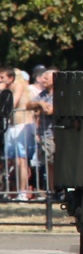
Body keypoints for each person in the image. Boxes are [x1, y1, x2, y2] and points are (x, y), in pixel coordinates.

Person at [0, 67, 36, 201]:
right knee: (14, 161)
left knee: (22, 160)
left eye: (2, 77)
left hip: (23, 125)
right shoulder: (6, 89)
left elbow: (10, 104)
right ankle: (17, 191)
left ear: (11, 78)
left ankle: (23, 192)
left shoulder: (18, 86)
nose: (0, 80)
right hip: (12, 125)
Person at [26, 68, 58, 197]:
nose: (42, 80)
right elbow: (28, 105)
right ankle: (51, 190)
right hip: (45, 134)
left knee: (54, 164)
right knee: (49, 164)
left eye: (46, 78)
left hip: (55, 134)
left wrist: (43, 107)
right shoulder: (43, 94)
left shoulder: (59, 94)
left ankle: (56, 190)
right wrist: (40, 103)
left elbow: (50, 111)